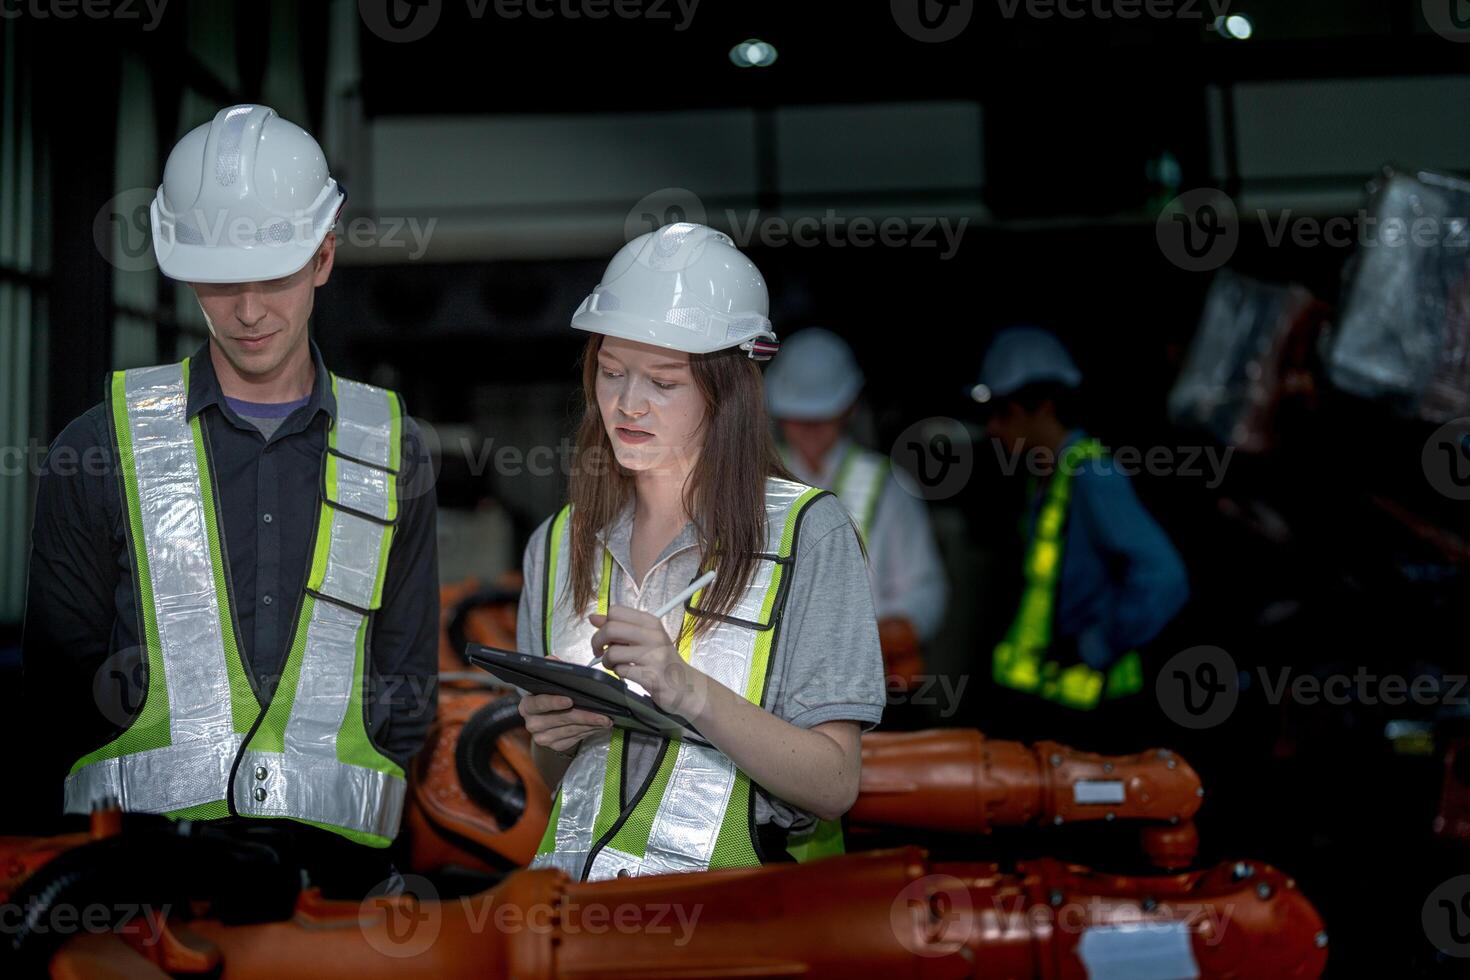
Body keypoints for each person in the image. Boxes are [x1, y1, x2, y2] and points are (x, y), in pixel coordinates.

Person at [21, 105, 438, 890]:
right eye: (218, 281)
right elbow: (54, 698)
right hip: (142, 884)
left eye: (275, 276)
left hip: (339, 886)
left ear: (323, 255)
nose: (248, 313)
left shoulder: (393, 448)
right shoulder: (97, 445)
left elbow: (407, 685)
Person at [516, 223, 885, 880]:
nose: (627, 405)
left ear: (727, 393)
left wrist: (683, 688)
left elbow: (834, 784)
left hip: (737, 925)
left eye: (663, 382)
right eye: (609, 372)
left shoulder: (808, 535)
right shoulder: (557, 544)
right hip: (579, 922)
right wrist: (551, 735)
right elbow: (562, 785)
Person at [974, 326, 1187, 742]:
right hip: (1047, 698)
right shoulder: (1045, 478)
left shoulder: (1093, 475)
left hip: (1092, 709)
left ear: (1045, 407)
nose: (992, 429)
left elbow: (1165, 576)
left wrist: (1096, 644)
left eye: (1005, 413)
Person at [763, 327, 949, 689]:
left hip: (863, 679)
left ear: (848, 409)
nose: (811, 430)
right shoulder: (757, 480)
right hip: (771, 678)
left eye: (822, 417)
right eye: (800, 417)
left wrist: (899, 629)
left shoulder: (889, 486)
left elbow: (924, 586)